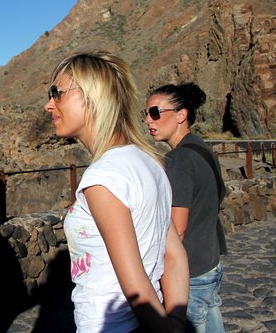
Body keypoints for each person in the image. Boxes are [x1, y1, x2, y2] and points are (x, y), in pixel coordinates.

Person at [45, 51, 189, 332]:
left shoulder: (102, 178)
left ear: (92, 96)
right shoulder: (149, 162)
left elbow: (135, 287)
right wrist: (175, 323)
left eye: (57, 93)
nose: (49, 105)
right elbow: (174, 255)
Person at [146, 83, 227, 333]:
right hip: (210, 261)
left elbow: (177, 230)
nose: (149, 120)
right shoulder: (202, 148)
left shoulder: (178, 160)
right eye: (146, 113)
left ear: (181, 115)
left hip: (190, 272)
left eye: (156, 113)